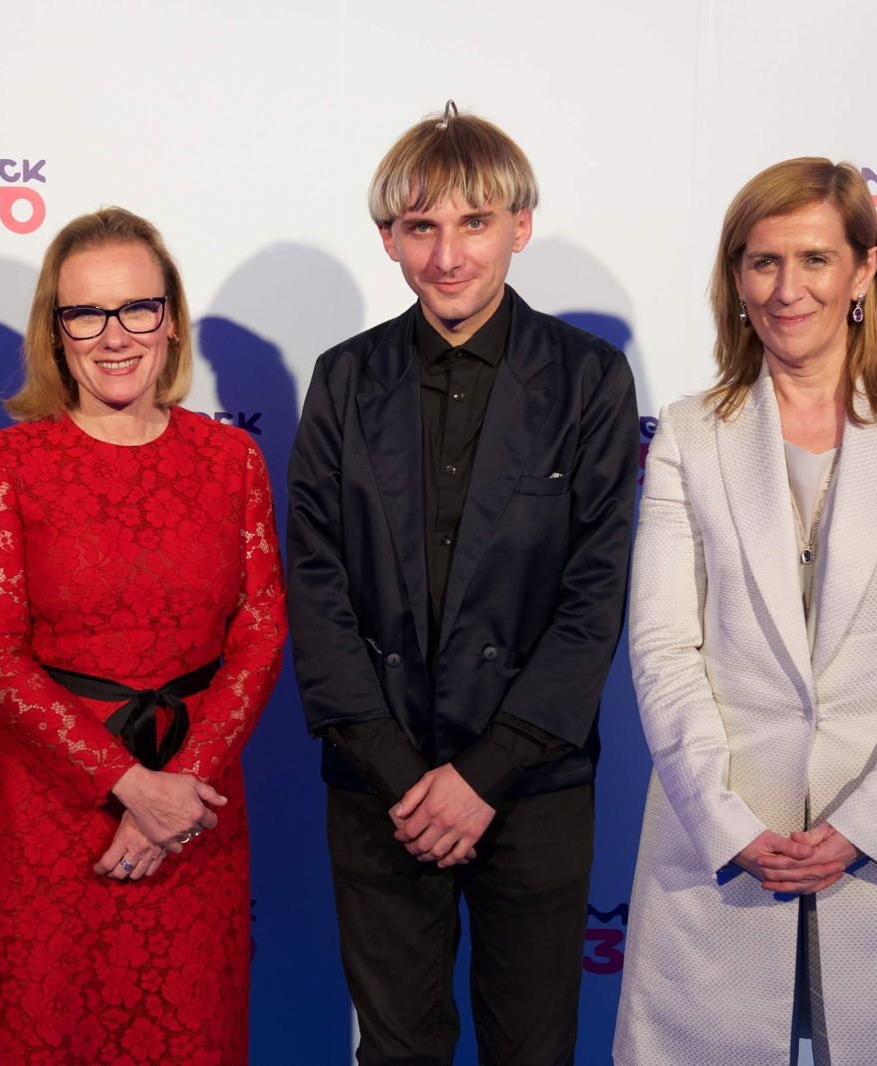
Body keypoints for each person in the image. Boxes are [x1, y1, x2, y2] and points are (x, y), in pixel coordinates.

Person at [614, 157, 877, 1063]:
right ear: (736, 277)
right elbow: (665, 649)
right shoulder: (687, 434)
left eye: (816, 260)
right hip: (721, 853)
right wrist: (731, 823)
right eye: (762, 262)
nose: (788, 290)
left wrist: (862, 827)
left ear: (865, 270)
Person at [287, 103, 639, 1064]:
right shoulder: (344, 379)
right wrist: (405, 778)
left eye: (474, 224)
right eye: (422, 227)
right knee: (397, 1052)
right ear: (390, 238)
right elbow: (313, 586)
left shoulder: (590, 379)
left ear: (520, 227)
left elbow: (594, 598)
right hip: (379, 786)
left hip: (532, 787)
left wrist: (481, 780)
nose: (448, 256)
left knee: (532, 1049)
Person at [0, 206, 286, 1064]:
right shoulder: (7, 463)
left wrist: (176, 790)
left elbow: (259, 632)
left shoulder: (231, 460)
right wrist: (128, 784)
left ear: (170, 320)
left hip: (196, 814)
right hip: (48, 816)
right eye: (85, 315)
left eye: (137, 309)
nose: (114, 337)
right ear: (55, 331)